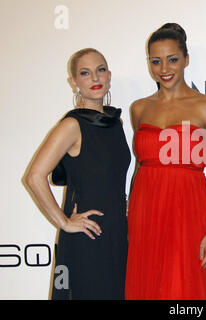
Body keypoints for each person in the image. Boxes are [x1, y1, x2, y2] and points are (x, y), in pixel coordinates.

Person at [125, 23, 206, 300]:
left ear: (186, 59)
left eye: (172, 59)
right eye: (155, 61)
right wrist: (130, 209)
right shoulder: (139, 108)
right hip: (145, 211)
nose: (164, 68)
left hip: (189, 212)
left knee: (184, 289)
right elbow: (139, 167)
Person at [25, 48, 130, 299]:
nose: (95, 79)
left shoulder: (116, 123)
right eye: (85, 73)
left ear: (109, 75)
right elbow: (34, 176)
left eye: (100, 70)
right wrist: (64, 222)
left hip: (117, 231)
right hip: (88, 235)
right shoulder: (72, 126)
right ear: (74, 82)